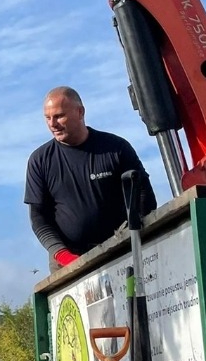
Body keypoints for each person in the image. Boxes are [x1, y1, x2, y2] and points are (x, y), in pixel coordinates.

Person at [25, 86, 157, 268]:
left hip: (121, 248)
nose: (52, 124)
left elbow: (143, 193)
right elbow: (38, 218)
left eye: (59, 116)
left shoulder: (116, 148)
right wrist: (63, 255)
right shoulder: (39, 161)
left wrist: (135, 234)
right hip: (68, 260)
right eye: (48, 118)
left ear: (80, 112)